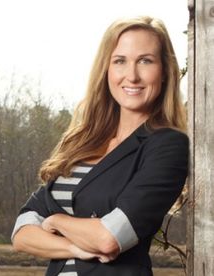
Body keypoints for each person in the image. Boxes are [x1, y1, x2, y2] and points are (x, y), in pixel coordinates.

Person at [12, 16, 189, 276]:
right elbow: (21, 233)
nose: (132, 75)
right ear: (106, 70)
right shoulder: (82, 142)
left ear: (164, 72)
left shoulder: (167, 145)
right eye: (120, 61)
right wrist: (75, 247)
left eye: (145, 61)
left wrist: (56, 220)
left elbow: (109, 238)